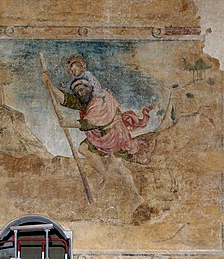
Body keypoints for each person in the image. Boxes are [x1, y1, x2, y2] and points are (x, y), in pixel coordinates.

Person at [42, 54, 152, 211]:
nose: (80, 92)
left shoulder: (98, 100)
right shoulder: (84, 100)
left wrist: (68, 123)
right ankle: (105, 176)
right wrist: (49, 85)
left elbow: (90, 122)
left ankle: (136, 196)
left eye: (82, 89)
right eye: (77, 90)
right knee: (83, 149)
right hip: (100, 137)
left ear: (89, 87)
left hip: (114, 135)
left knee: (118, 164)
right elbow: (65, 99)